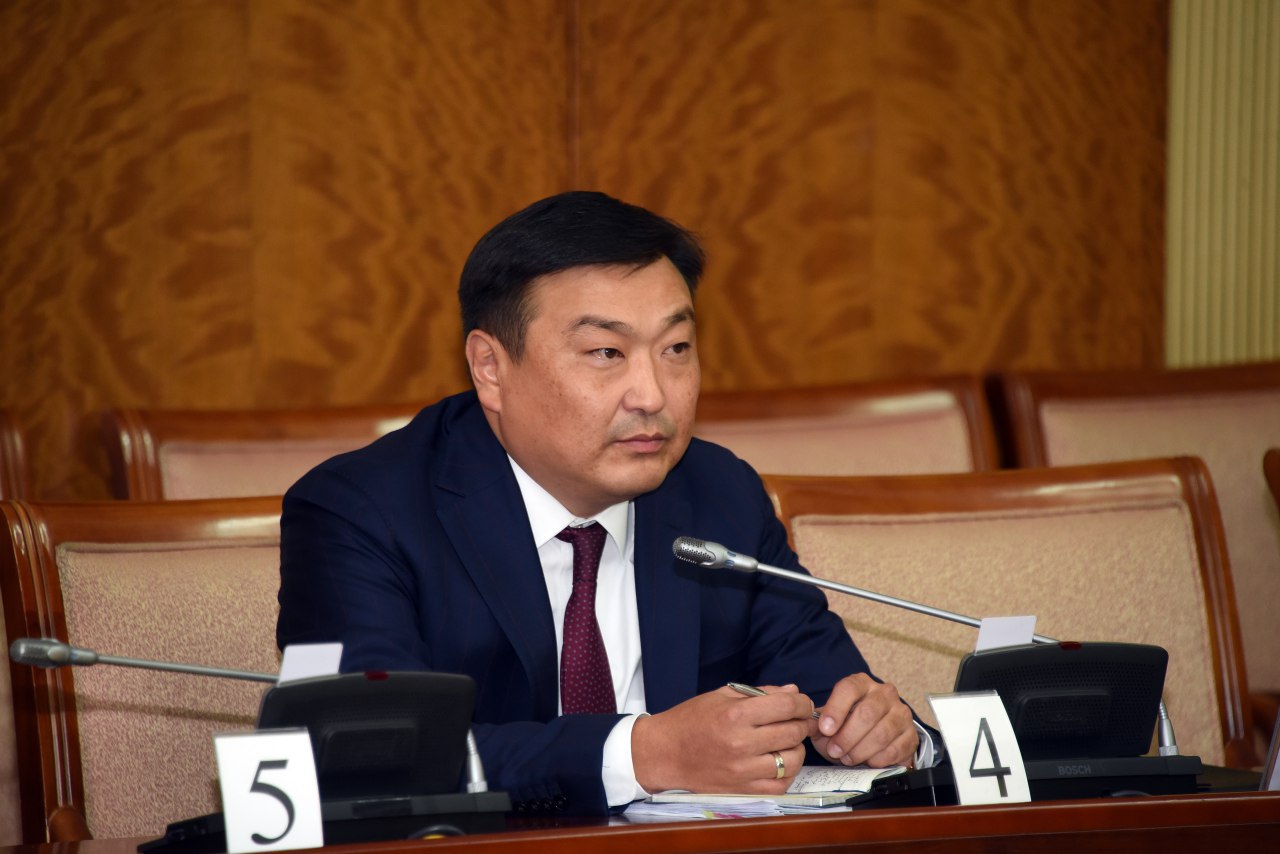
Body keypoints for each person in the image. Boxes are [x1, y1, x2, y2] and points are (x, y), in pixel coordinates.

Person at [277, 191, 937, 815]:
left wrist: (882, 734)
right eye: (606, 352)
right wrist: (644, 754)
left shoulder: (719, 494)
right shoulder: (362, 513)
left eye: (675, 349)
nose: (652, 394)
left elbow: (828, 699)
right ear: (490, 368)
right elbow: (369, 756)